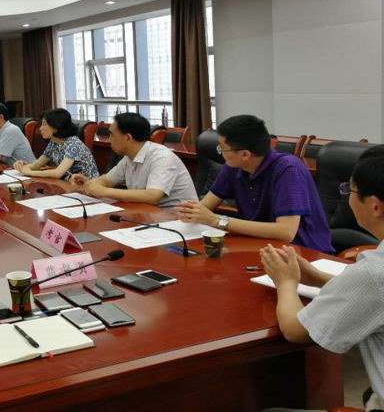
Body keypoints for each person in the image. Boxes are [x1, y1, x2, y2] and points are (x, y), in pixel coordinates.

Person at [259, 156, 384, 412]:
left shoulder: (374, 272)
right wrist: (317, 277)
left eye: (350, 190)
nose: (347, 198)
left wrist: (285, 282)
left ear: (375, 206)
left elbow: (296, 331)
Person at [177, 114, 334, 253]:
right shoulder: (233, 167)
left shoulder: (288, 169)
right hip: (260, 245)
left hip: (304, 252)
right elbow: (205, 206)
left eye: (222, 149)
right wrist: (191, 212)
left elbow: (286, 232)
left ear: (245, 154)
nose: (220, 153)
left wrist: (216, 220)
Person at [71, 112, 196, 206]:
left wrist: (104, 191)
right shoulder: (129, 158)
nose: (109, 140)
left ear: (128, 138)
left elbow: (153, 195)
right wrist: (89, 185)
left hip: (177, 218)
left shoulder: (161, 157)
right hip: (149, 213)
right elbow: (106, 180)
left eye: (112, 135)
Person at [13, 108, 98, 180]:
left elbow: (58, 173)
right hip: (69, 183)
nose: (40, 128)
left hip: (87, 187)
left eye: (44, 125)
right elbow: (36, 165)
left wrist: (30, 172)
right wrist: (23, 165)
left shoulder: (74, 144)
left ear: (56, 126)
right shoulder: (53, 142)